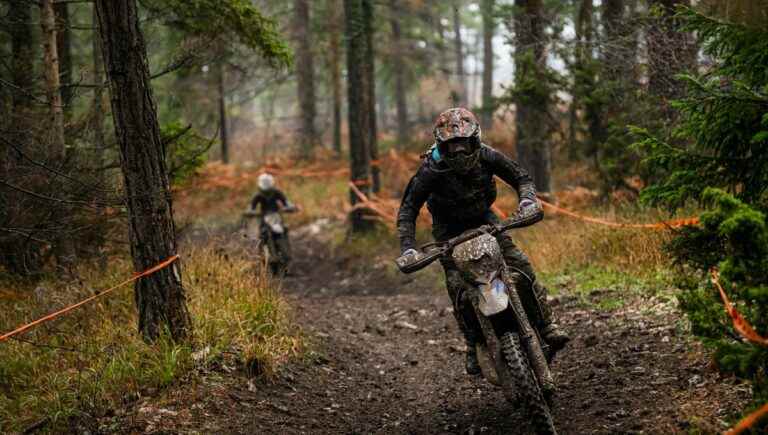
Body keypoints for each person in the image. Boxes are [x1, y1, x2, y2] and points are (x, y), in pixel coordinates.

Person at [396, 107, 569, 375]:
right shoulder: (429, 170)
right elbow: (408, 210)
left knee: (519, 265)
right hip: (447, 231)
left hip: (485, 219)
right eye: (452, 146)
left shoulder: (488, 155)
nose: (459, 152)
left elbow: (521, 177)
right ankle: (472, 342)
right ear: (442, 145)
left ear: (475, 140)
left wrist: (527, 202)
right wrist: (408, 248)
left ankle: (546, 323)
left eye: (464, 144)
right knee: (458, 287)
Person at [250, 173, 296, 274]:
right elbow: (251, 206)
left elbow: (286, 202)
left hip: (276, 217)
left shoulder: (277, 193)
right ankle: (264, 256)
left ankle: (286, 255)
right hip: (264, 218)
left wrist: (290, 207)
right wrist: (251, 212)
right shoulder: (258, 195)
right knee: (262, 235)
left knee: (284, 230)